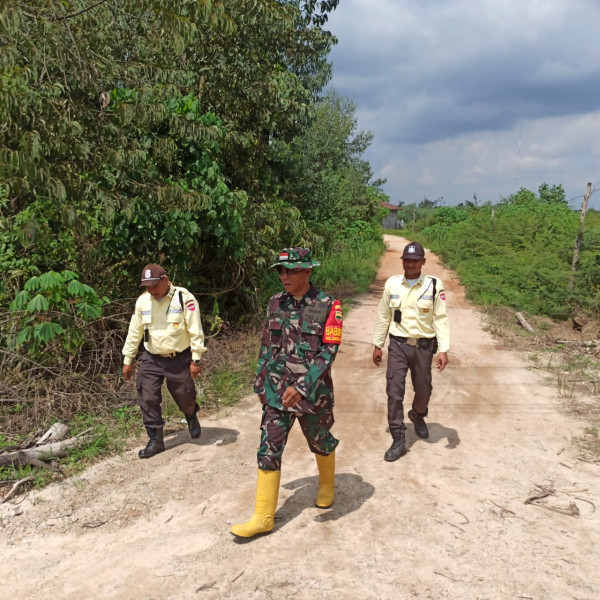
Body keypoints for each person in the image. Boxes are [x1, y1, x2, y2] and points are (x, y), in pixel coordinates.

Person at [231, 248, 343, 538]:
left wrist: (302, 387)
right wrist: (260, 381)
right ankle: (263, 517)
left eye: (291, 270)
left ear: (307, 271)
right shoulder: (275, 303)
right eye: (281, 271)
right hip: (276, 389)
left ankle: (327, 485)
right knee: (269, 447)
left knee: (320, 441)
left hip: (312, 392)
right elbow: (267, 345)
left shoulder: (327, 304)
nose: (284, 276)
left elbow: (328, 351)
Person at [372, 242, 450, 461]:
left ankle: (417, 414)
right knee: (394, 390)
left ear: (423, 262)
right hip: (398, 344)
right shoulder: (393, 284)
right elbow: (384, 316)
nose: (411, 263)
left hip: (424, 346)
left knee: (424, 390)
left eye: (415, 260)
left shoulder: (434, 285)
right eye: (407, 259)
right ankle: (398, 438)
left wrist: (443, 349)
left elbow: (441, 319)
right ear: (403, 261)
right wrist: (378, 344)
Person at [122, 263, 206, 458]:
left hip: (179, 358)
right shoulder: (143, 302)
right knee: (147, 396)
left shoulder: (184, 298)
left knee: (185, 396)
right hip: (151, 358)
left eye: (154, 285)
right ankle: (155, 440)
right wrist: (128, 359)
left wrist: (196, 360)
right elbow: (135, 331)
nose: (151, 290)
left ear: (165, 280)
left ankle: (191, 415)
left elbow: (195, 330)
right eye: (147, 287)